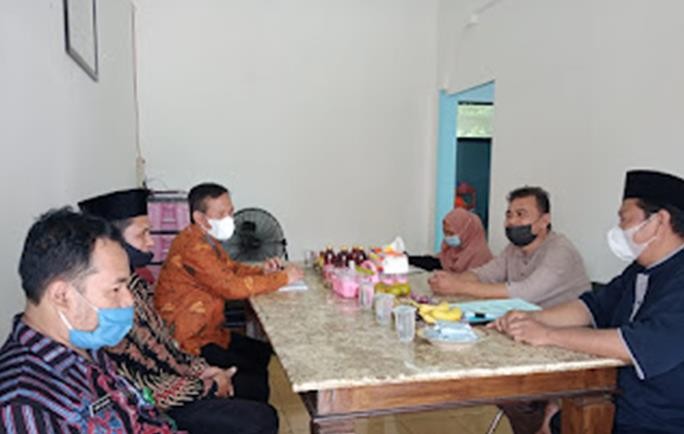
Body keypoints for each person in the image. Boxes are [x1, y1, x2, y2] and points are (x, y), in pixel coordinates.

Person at [492, 170, 684, 434]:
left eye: (625, 219)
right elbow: (591, 306)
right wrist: (532, 318)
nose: (619, 230)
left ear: (659, 221)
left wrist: (547, 334)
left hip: (657, 418)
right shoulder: (639, 270)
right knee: (537, 404)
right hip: (613, 396)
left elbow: (636, 345)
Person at [79, 188, 278, 434]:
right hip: (159, 404)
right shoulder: (103, 307)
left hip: (184, 367)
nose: (151, 243)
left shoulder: (137, 286)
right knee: (260, 412)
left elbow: (165, 347)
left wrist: (203, 371)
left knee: (257, 365)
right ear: (110, 243)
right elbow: (141, 386)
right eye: (143, 234)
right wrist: (207, 385)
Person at [0, 208, 181, 433]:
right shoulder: (24, 404)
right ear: (61, 296)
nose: (129, 301)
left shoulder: (88, 350)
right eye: (115, 289)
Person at [154, 183, 303, 403]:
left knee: (260, 352)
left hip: (211, 331)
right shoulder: (192, 247)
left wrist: (263, 271)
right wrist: (283, 279)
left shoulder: (206, 239)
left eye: (231, 212)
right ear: (200, 217)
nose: (229, 219)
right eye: (221, 214)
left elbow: (230, 269)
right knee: (253, 374)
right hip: (191, 341)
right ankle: (251, 410)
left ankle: (254, 405)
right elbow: (230, 287)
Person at [429, 186, 589, 309]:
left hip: (567, 330)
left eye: (521, 214)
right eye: (509, 215)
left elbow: (525, 292)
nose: (512, 221)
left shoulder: (560, 251)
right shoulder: (513, 249)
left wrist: (459, 287)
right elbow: (485, 274)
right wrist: (450, 281)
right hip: (528, 321)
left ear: (544, 221)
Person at [409, 208, 493, 272]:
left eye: (451, 233)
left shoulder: (480, 256)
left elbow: (470, 281)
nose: (447, 237)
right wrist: (408, 259)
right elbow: (436, 263)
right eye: (445, 232)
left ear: (466, 233)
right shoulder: (453, 250)